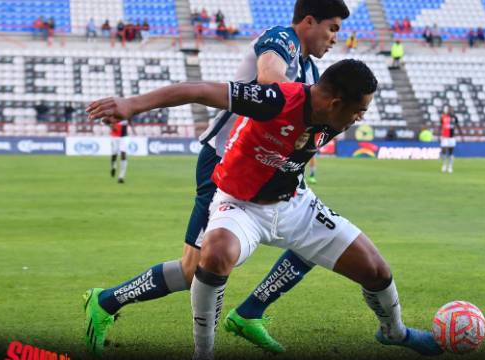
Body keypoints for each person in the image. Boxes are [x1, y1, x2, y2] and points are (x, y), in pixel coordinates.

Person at [87, 59, 444, 360]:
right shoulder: (274, 100)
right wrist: (131, 104)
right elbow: (197, 89)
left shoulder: (330, 109)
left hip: (296, 205)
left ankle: (394, 332)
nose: (359, 118)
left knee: (377, 271)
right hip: (239, 205)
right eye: (359, 110)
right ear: (336, 103)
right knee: (214, 255)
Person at [82, 0, 351, 355]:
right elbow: (271, 79)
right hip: (226, 165)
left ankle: (250, 312)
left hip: (272, 171)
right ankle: (106, 301)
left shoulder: (312, 71)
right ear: (309, 21)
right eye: (332, 28)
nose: (335, 38)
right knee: (194, 270)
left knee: (320, 235)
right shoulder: (280, 39)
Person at [438, 106, 462, 173]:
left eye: (451, 110)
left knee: (451, 152)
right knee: (444, 150)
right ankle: (444, 164)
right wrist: (439, 135)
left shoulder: (454, 117)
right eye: (449, 110)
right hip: (444, 137)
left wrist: (461, 134)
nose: (450, 111)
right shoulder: (443, 117)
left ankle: (450, 166)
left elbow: (457, 126)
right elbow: (440, 126)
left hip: (452, 137)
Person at [109, 118, 133, 183]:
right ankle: (113, 167)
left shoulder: (127, 113)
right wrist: (112, 126)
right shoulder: (114, 112)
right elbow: (108, 121)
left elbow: (130, 121)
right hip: (115, 136)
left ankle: (121, 177)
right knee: (114, 154)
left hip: (124, 137)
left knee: (123, 153)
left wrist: (133, 129)